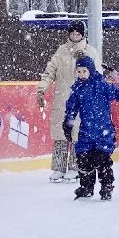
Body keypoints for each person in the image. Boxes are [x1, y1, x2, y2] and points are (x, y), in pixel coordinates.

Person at [63, 55, 119, 200]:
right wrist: (68, 122)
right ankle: (86, 187)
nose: (81, 74)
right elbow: (71, 107)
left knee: (102, 160)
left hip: (103, 132)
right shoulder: (78, 89)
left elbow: (118, 93)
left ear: (91, 70)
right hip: (86, 132)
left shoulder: (102, 85)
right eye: (78, 71)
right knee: (84, 160)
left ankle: (106, 186)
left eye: (84, 71)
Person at [38, 21, 97, 182]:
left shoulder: (90, 52)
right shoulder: (61, 51)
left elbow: (96, 77)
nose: (75, 37)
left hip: (81, 101)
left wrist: (84, 61)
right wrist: (42, 88)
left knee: (77, 135)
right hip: (62, 100)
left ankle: (74, 168)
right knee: (60, 136)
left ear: (83, 35)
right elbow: (49, 72)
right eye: (72, 34)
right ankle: (58, 168)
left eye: (78, 34)